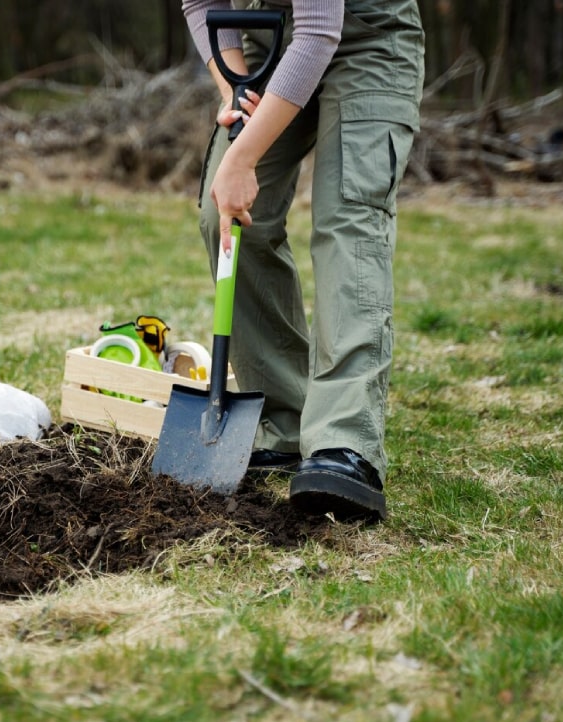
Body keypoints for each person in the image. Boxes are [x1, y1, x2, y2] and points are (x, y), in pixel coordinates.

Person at [181, 0, 425, 522]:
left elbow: (319, 31)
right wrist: (235, 88)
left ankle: (344, 441)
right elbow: (202, 4)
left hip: (367, 42)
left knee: (349, 221)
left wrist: (243, 158)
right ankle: (283, 420)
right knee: (223, 216)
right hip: (269, 43)